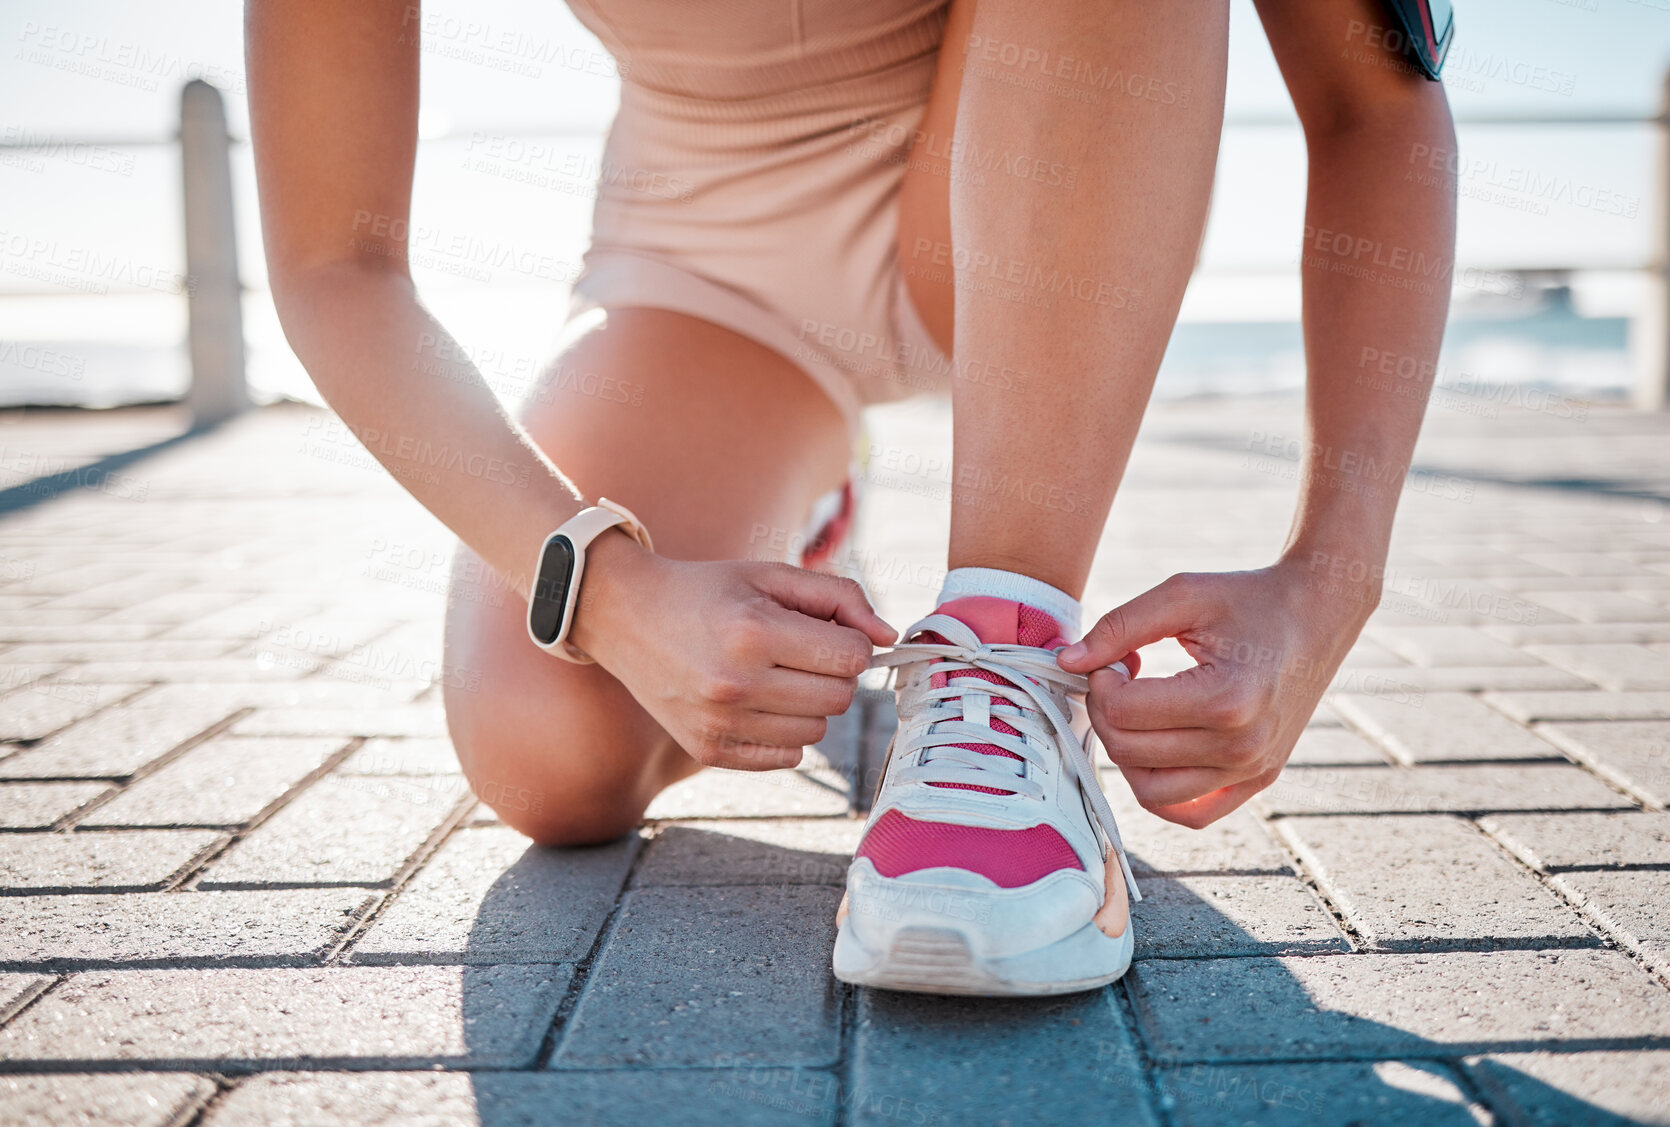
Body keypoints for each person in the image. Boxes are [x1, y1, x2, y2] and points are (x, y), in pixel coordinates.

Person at [246, 0, 1455, 995]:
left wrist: (1329, 578)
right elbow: (332, 267)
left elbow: (1370, 101)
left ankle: (1004, 638)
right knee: (546, 751)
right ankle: (814, 502)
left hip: (1059, 186)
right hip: (715, 259)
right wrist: (616, 595)